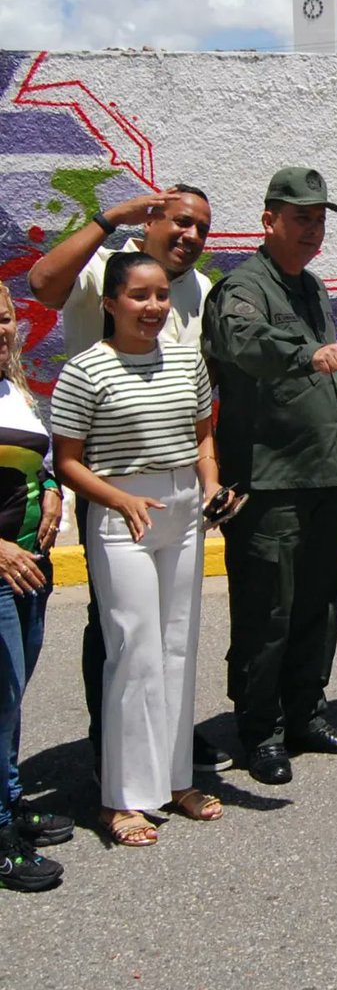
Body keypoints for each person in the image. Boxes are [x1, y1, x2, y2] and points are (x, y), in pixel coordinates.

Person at [27, 185, 230, 773]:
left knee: (171, 625)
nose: (191, 235)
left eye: (202, 228)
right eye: (181, 222)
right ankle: (111, 746)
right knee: (118, 627)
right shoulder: (102, 269)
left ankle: (167, 742)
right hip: (112, 481)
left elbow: (200, 394)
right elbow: (42, 284)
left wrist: (208, 478)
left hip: (177, 482)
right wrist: (109, 217)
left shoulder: (199, 289)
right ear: (151, 221)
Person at [52, 253, 223, 846]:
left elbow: (203, 440)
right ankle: (121, 799)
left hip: (183, 510)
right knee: (134, 652)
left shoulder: (186, 360)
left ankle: (175, 782)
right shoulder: (86, 369)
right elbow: (68, 462)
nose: (153, 307)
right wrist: (120, 499)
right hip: (121, 513)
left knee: (178, 648)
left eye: (161, 296)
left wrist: (211, 487)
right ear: (110, 303)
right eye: (139, 296)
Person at [202, 168, 337, 785]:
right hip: (268, 482)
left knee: (318, 607)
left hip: (321, 476)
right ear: (269, 220)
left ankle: (305, 716)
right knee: (267, 613)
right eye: (301, 218)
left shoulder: (312, 286)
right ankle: (260, 730)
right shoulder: (243, 286)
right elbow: (243, 344)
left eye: (320, 219)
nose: (313, 230)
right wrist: (306, 354)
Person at [0, 280, 70, 889]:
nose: (0, 330)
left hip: (32, 566)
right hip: (1, 568)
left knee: (12, 695)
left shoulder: (12, 388)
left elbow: (40, 463)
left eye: (3, 318)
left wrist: (51, 490)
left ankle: (10, 799)